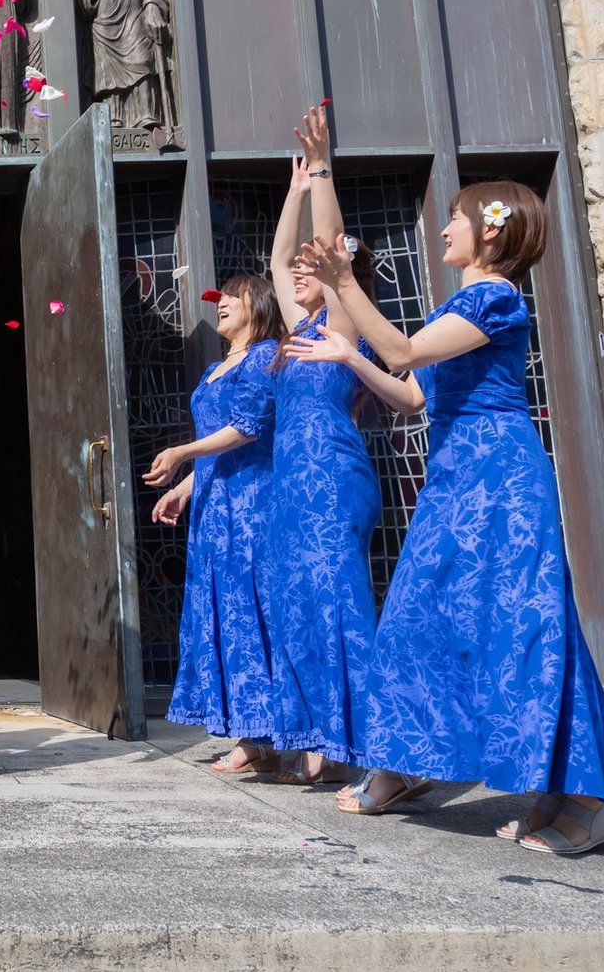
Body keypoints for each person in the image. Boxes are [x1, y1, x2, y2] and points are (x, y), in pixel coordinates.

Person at [291, 183, 604, 854]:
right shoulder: (460, 305)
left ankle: (593, 800)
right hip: (455, 481)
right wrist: (348, 355)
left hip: (501, 480)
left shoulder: (495, 297)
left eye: (455, 219)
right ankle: (415, 761)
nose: (445, 229)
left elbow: (404, 354)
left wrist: (344, 284)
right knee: (414, 617)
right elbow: (412, 395)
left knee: (523, 625)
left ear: (492, 229)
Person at [260, 104, 388, 785]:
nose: (302, 270)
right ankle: (315, 736)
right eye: (303, 268)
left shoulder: (344, 321)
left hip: (333, 477)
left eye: (318, 265)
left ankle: (360, 742)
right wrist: (295, 189)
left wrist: (324, 172)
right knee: (298, 604)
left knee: (337, 602)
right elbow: (279, 258)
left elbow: (324, 245)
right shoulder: (296, 328)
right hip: (289, 481)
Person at [145, 276, 287, 775]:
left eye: (232, 296)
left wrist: (181, 452)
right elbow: (216, 442)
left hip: (250, 504)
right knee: (222, 610)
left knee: (251, 609)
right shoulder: (215, 367)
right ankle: (251, 733)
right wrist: (184, 489)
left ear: (259, 305)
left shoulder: (264, 356)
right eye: (218, 298)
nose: (221, 303)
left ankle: (265, 732)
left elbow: (247, 428)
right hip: (214, 507)